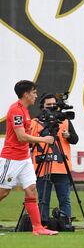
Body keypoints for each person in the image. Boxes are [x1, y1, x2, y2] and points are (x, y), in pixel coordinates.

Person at [0, 80, 58, 235]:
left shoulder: (25, 110)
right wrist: (43, 140)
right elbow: (20, 137)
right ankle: (38, 227)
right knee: (3, 192)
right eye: (33, 92)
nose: (35, 95)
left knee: (31, 190)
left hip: (24, 158)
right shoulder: (16, 110)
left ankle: (37, 228)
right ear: (26, 94)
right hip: (11, 158)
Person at [29, 93, 79, 230]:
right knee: (43, 200)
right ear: (42, 106)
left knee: (65, 199)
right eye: (48, 105)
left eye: (54, 105)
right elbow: (28, 142)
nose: (51, 107)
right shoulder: (35, 122)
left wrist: (68, 136)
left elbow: (75, 139)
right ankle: (42, 223)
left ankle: (65, 222)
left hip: (62, 166)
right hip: (42, 165)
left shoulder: (65, 121)